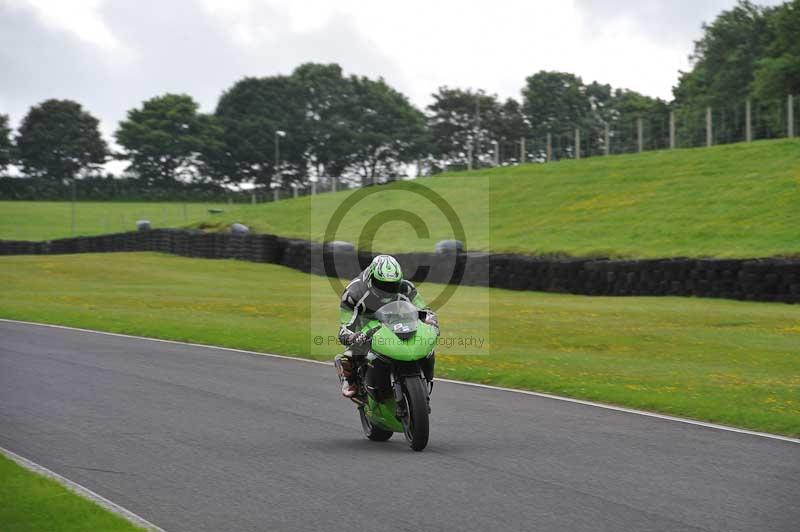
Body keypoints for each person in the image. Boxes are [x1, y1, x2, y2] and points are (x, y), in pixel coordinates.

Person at [335, 255, 438, 397]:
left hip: (395, 320)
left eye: (393, 284)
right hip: (365, 326)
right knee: (349, 356)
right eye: (382, 284)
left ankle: (426, 376)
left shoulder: (405, 287)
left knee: (422, 340)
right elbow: (345, 327)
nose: (388, 289)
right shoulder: (353, 293)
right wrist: (352, 336)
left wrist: (430, 321)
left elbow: (424, 310)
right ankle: (349, 379)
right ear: (371, 279)